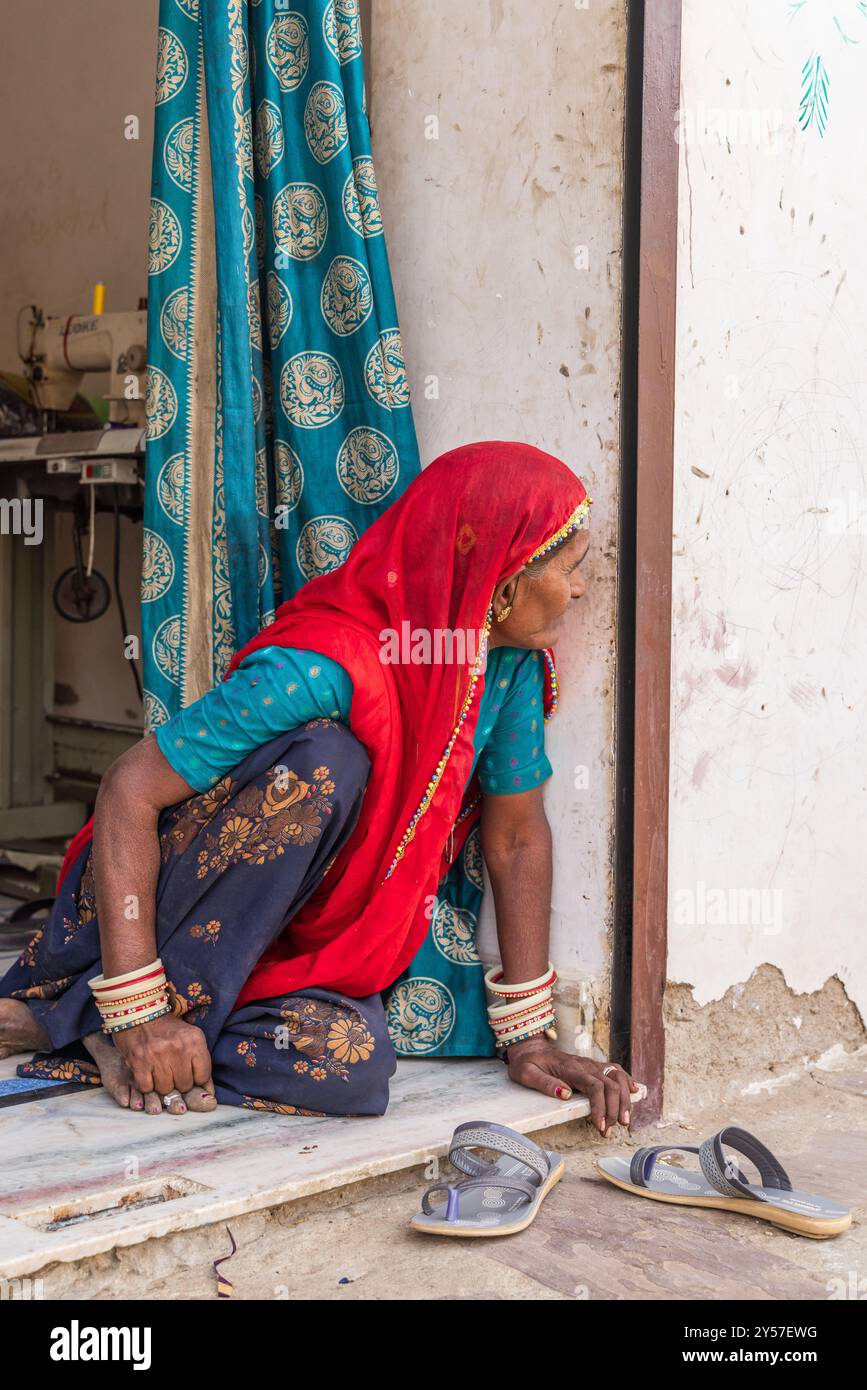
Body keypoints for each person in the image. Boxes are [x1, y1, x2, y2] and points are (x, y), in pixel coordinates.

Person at [0, 441, 638, 1130]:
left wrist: (529, 1036)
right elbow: (129, 788)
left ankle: (89, 1028)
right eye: (568, 568)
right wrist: (140, 1006)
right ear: (502, 577)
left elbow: (513, 837)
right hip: (157, 920)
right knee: (326, 764)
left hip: (287, 955)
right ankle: (128, 1019)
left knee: (352, 1072)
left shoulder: (503, 667)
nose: (578, 590)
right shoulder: (328, 665)